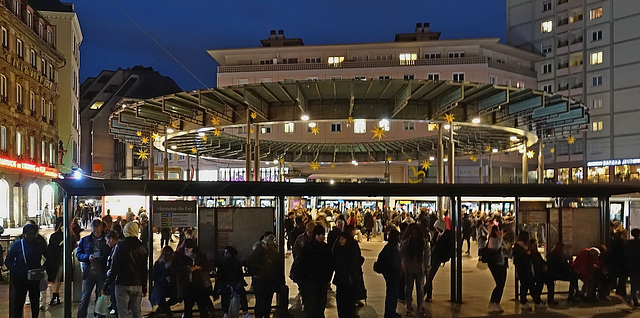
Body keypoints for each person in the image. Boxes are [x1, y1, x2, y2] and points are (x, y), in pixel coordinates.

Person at [104, 222, 148, 318]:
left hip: (122, 284)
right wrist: (144, 286)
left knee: (122, 312)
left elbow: (115, 267)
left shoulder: (120, 246)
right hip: (137, 284)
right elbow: (144, 269)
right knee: (136, 311)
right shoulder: (143, 247)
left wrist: (107, 284)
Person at [4, 223, 50, 318]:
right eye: (29, 234)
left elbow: (49, 257)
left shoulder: (39, 245)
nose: (31, 236)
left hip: (34, 277)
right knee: (19, 301)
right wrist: (18, 271)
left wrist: (42, 268)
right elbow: (8, 261)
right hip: (21, 278)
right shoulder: (18, 245)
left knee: (34, 301)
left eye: (33, 234)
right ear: (24, 234)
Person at [294, 225, 333, 317]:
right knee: (311, 306)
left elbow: (330, 264)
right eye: (319, 234)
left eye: (322, 234)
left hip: (322, 282)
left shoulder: (326, 247)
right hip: (310, 282)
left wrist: (328, 278)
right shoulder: (308, 247)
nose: (321, 236)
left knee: (320, 305)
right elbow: (302, 264)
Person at [76, 219, 111, 318]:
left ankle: (99, 315)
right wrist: (87, 257)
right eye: (94, 231)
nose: (96, 233)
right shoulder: (85, 240)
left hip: (102, 272)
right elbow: (78, 254)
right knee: (85, 297)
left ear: (102, 229)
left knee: (101, 296)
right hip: (89, 272)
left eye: (98, 232)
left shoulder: (106, 240)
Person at [248, 232, 283, 318]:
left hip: (270, 279)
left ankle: (266, 316)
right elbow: (251, 261)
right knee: (260, 301)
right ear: (264, 237)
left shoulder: (273, 249)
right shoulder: (259, 248)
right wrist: (262, 267)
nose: (272, 239)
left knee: (268, 301)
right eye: (270, 237)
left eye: (273, 238)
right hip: (260, 279)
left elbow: (277, 261)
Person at [215, 246, 251, 318]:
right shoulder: (223, 262)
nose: (225, 254)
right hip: (225, 283)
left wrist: (239, 282)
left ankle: (245, 311)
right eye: (225, 253)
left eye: (227, 253)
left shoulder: (236, 263)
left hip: (235, 282)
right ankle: (226, 312)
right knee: (224, 294)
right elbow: (221, 276)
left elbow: (240, 275)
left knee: (242, 294)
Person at [400, 224, 428, 316]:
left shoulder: (422, 242)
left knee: (419, 289)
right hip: (410, 268)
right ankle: (409, 306)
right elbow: (402, 253)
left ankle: (418, 307)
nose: (414, 234)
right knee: (409, 288)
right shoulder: (408, 242)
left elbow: (427, 255)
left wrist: (426, 267)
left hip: (418, 268)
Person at [512, 231, 544, 310]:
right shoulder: (519, 247)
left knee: (526, 286)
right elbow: (518, 259)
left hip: (526, 270)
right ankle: (534, 302)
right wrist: (527, 253)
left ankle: (528, 302)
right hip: (523, 270)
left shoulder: (522, 246)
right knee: (528, 286)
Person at [375, 229, 401, 318]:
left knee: (392, 294)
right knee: (392, 294)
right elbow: (393, 263)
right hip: (391, 274)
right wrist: (399, 271)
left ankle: (391, 312)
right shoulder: (392, 248)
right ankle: (390, 314)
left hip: (389, 273)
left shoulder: (391, 246)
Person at [424, 219, 452, 302]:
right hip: (432, 256)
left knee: (430, 277)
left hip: (438, 257)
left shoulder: (447, 234)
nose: (436, 230)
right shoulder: (437, 234)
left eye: (437, 228)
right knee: (429, 277)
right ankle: (428, 295)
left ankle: (424, 293)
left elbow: (447, 247)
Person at [332, 231, 359, 318]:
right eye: (340, 239)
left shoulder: (351, 250)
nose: (341, 241)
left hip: (349, 280)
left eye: (343, 239)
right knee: (341, 302)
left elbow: (355, 263)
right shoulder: (337, 249)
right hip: (341, 280)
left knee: (349, 303)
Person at [151, 246, 179, 316]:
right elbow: (154, 277)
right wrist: (164, 279)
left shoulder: (173, 264)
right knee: (160, 295)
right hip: (161, 286)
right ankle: (165, 310)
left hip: (171, 286)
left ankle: (164, 308)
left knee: (177, 295)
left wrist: (171, 279)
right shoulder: (158, 264)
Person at [486, 224, 507, 313]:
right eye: (498, 230)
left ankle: (497, 302)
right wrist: (500, 237)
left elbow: (505, 247)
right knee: (499, 283)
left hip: (501, 263)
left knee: (502, 284)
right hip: (495, 263)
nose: (500, 232)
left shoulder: (498, 238)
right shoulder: (493, 239)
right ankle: (493, 302)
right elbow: (495, 248)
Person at [46, 217, 64, 306]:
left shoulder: (55, 235)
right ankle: (55, 295)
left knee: (56, 278)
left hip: (56, 259)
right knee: (57, 278)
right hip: (58, 259)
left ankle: (55, 295)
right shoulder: (62, 235)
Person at [528, 239, 550, 307]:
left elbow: (542, 261)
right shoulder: (530, 254)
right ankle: (537, 299)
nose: (535, 246)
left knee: (541, 282)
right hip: (534, 273)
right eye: (534, 245)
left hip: (539, 272)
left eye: (536, 245)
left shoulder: (536, 253)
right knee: (538, 284)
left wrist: (545, 265)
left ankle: (537, 299)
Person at [104, 231, 120, 317]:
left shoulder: (117, 249)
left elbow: (114, 266)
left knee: (116, 301)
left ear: (111, 239)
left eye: (107, 240)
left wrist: (106, 284)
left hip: (115, 280)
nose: (106, 243)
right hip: (114, 279)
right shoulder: (115, 248)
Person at [626, 228, 640, 307]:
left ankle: (634, 299)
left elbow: (627, 254)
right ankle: (634, 299)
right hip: (638, 265)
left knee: (633, 284)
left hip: (632, 266)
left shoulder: (629, 243)